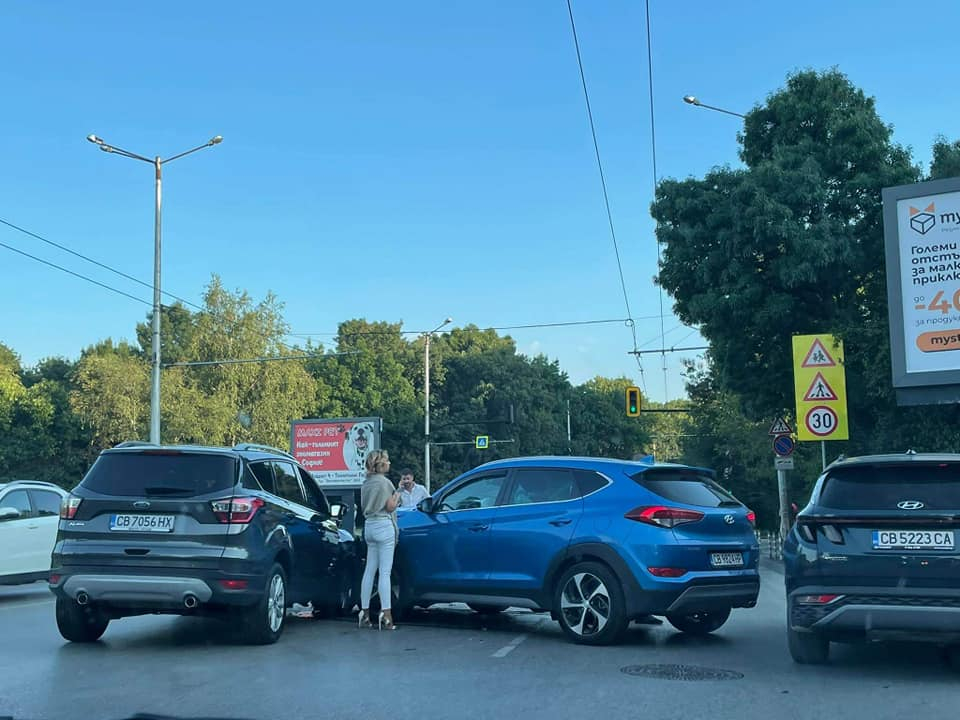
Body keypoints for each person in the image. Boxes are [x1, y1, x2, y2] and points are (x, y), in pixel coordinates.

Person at [359, 449, 400, 630]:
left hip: (369, 526)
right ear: (380, 464)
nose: (389, 463)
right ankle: (387, 614)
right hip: (384, 525)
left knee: (369, 571)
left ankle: (364, 613)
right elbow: (390, 507)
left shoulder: (366, 483)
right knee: (384, 573)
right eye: (387, 460)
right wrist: (397, 495)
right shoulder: (385, 483)